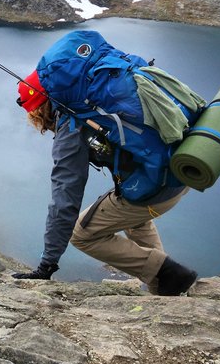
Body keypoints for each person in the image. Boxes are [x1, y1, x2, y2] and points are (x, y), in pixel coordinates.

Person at [14, 69, 198, 296]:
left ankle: (168, 273)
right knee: (134, 219)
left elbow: (64, 198)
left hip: (155, 188)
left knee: (81, 235)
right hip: (182, 169)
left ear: (40, 111)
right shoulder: (94, 97)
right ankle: (163, 288)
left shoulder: (72, 126)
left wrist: (47, 263)